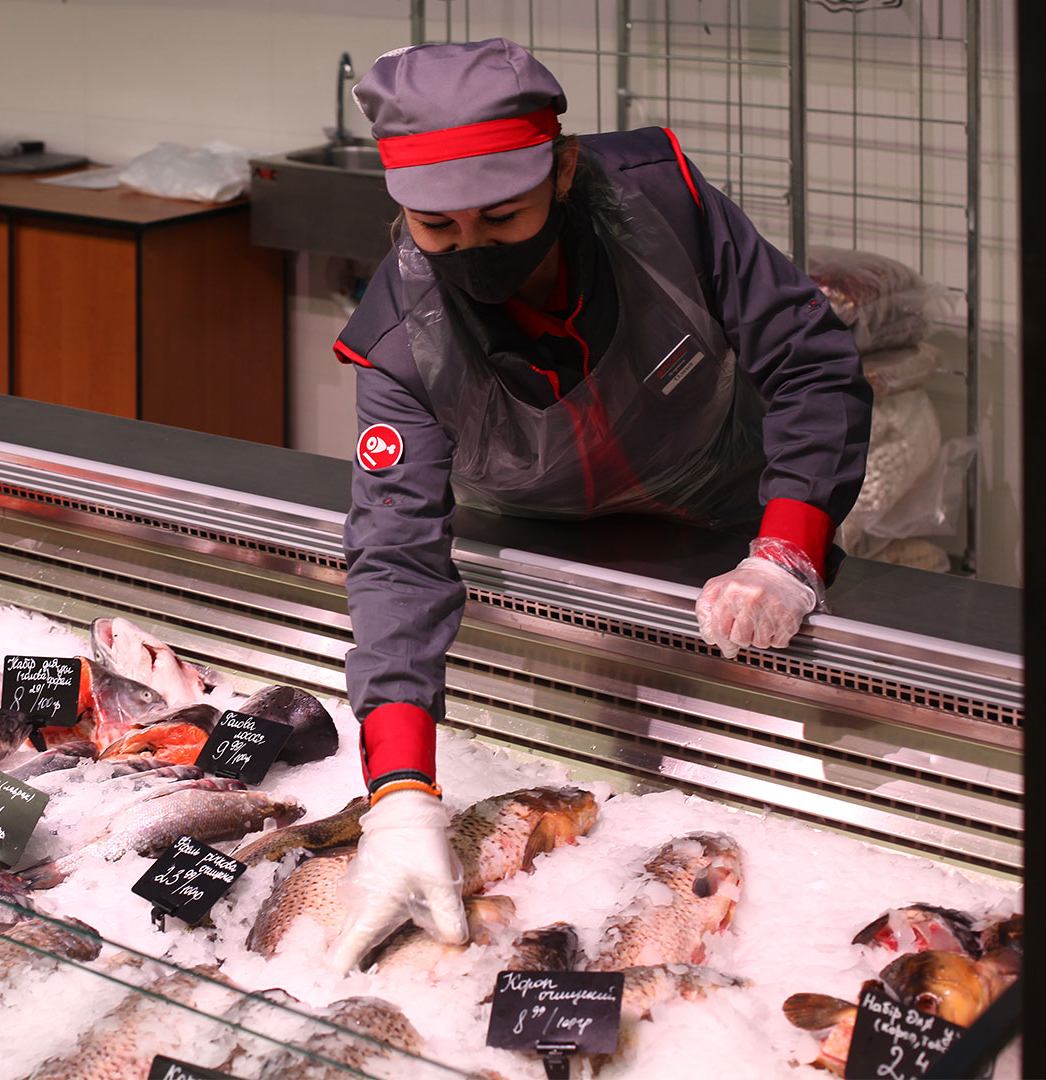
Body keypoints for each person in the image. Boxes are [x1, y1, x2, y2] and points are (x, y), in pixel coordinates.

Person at [324, 39, 871, 973]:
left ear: (564, 167)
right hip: (547, 567)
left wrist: (786, 549)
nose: (473, 247)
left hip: (734, 534)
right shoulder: (400, 340)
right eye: (437, 226)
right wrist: (402, 792)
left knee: (778, 779)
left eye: (503, 215)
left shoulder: (665, 205)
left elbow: (812, 363)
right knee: (600, 774)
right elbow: (396, 558)